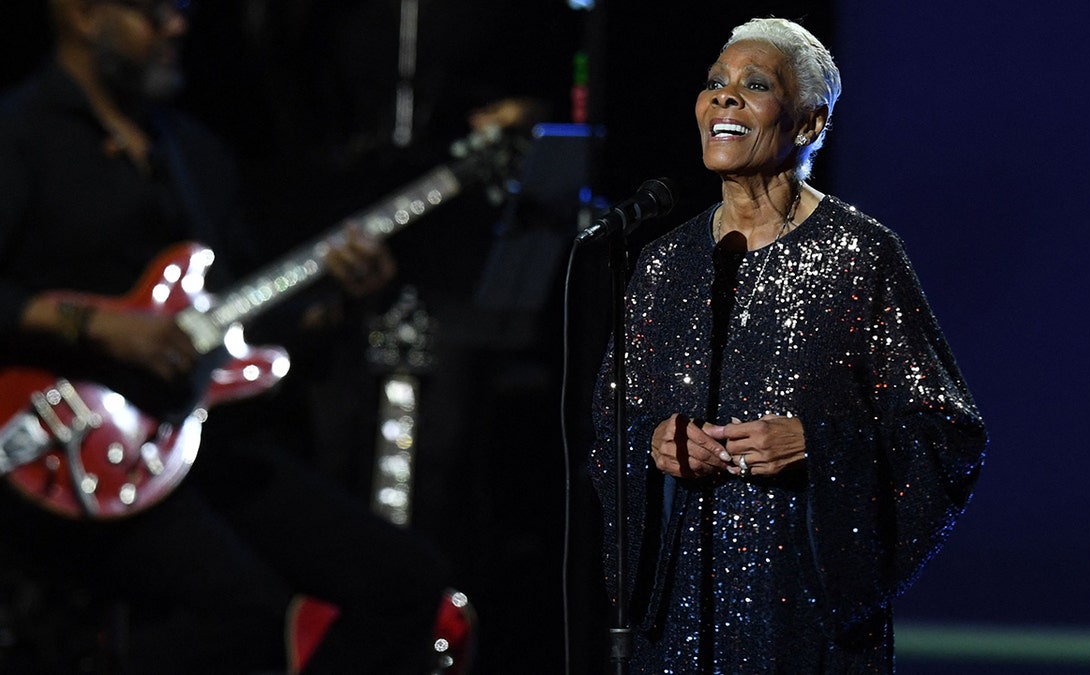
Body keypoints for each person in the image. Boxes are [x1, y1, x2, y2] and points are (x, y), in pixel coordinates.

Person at [0, 0, 473, 673]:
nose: (177, 26)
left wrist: (338, 299)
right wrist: (99, 326)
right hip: (55, 450)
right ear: (82, 14)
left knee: (406, 581)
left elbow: (256, 333)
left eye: (184, 8)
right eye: (155, 11)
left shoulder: (194, 152)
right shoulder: (20, 136)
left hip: (192, 440)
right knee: (243, 613)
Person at [588, 17, 987, 673]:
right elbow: (611, 425)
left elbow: (947, 437)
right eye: (715, 83)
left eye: (754, 84)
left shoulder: (860, 256)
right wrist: (653, 442)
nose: (724, 98)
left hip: (807, 625)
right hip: (680, 619)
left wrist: (816, 442)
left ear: (808, 123)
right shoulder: (664, 264)